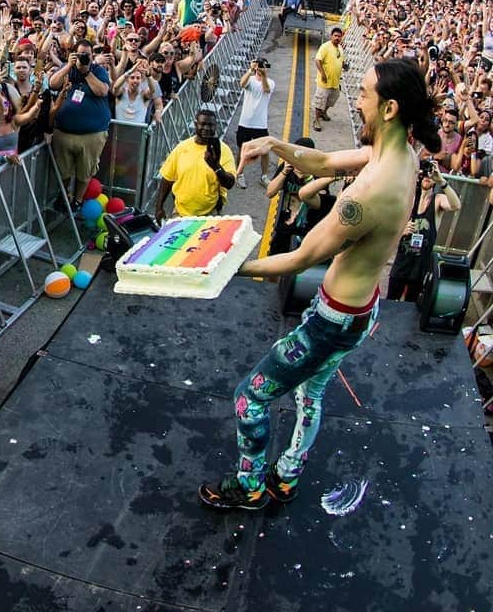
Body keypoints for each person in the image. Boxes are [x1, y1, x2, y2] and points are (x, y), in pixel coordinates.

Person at [199, 59, 440, 510]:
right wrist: (275, 143)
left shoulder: (369, 195)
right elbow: (326, 160)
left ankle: (249, 488)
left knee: (249, 400)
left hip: (332, 323)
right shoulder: (400, 155)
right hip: (359, 310)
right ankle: (287, 476)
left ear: (388, 109)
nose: (358, 100)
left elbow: (301, 257)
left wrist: (226, 265)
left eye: (364, 94)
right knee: (311, 394)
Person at [48, 40, 112, 209]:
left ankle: (77, 199)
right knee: (64, 170)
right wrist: (69, 65)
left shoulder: (98, 71)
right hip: (64, 132)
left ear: (92, 56)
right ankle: (64, 197)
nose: (84, 58)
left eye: (87, 55)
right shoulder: (67, 68)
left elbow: (102, 91)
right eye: (80, 54)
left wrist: (86, 72)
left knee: (85, 172)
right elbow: (53, 83)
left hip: (91, 135)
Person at [386, 157, 460, 301]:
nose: (427, 177)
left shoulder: (437, 199)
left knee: (412, 305)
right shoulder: (409, 198)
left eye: (430, 174)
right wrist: (401, 230)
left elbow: (456, 205)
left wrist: (442, 181)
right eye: (424, 173)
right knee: (390, 300)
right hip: (402, 263)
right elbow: (388, 225)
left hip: (420, 267)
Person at [154, 109, 236, 221]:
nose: (206, 128)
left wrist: (215, 166)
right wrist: (159, 207)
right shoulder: (181, 148)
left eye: (210, 125)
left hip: (210, 215)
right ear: (195, 124)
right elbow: (167, 179)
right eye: (203, 124)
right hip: (179, 214)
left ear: (215, 126)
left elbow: (230, 184)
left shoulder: (224, 151)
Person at [234, 58, 275, 189]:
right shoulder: (250, 80)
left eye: (264, 66)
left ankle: (264, 176)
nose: (262, 68)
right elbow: (241, 84)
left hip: (260, 124)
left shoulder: (270, 82)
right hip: (245, 122)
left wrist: (263, 75)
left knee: (265, 151)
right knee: (241, 149)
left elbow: (266, 89)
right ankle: (239, 174)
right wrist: (250, 70)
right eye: (260, 66)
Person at [312, 25, 344, 132]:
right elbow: (318, 60)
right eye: (335, 36)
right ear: (331, 36)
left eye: (339, 36)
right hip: (324, 81)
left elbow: (340, 60)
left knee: (332, 99)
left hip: (335, 81)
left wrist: (344, 65)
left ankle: (324, 112)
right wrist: (323, 73)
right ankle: (316, 120)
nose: (337, 38)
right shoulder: (325, 47)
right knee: (320, 101)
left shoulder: (340, 48)